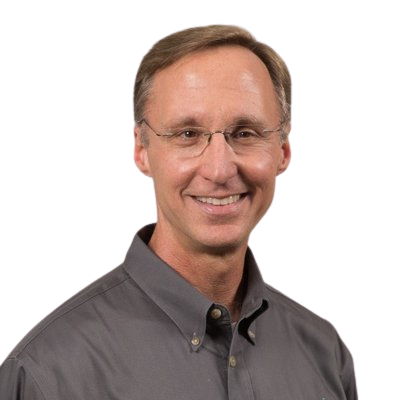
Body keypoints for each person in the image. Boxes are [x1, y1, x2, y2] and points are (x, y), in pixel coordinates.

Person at [0, 24, 358, 399]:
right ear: (141, 150)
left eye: (245, 133)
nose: (219, 169)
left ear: (283, 150)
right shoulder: (48, 372)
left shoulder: (326, 355)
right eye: (188, 134)